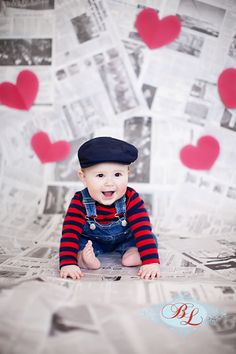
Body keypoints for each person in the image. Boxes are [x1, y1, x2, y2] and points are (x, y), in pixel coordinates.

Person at [59, 136, 160, 280]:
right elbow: (70, 233)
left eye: (117, 174)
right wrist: (68, 263)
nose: (109, 183)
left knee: (144, 238)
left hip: (125, 240)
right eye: (100, 175)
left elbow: (142, 229)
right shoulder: (79, 202)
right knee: (80, 245)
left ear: (128, 174)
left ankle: (133, 252)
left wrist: (150, 261)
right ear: (83, 177)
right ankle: (83, 259)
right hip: (93, 242)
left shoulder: (131, 198)